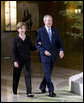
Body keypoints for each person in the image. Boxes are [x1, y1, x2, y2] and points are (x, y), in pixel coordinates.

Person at [35, 15, 64, 97]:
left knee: (48, 73)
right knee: (48, 73)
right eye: (48, 20)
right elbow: (37, 44)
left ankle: (42, 86)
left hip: (53, 56)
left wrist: (61, 50)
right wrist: (44, 51)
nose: (49, 22)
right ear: (44, 21)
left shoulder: (55, 31)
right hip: (45, 56)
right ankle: (51, 91)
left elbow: (59, 43)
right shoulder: (40, 31)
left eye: (51, 20)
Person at [12, 22, 35, 97]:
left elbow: (31, 48)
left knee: (28, 75)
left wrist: (38, 46)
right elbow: (13, 51)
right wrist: (15, 61)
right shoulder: (15, 39)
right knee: (16, 76)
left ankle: (29, 92)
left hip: (27, 59)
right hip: (18, 60)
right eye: (20, 28)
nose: (22, 30)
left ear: (25, 29)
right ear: (18, 29)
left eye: (23, 28)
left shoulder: (28, 38)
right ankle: (14, 90)